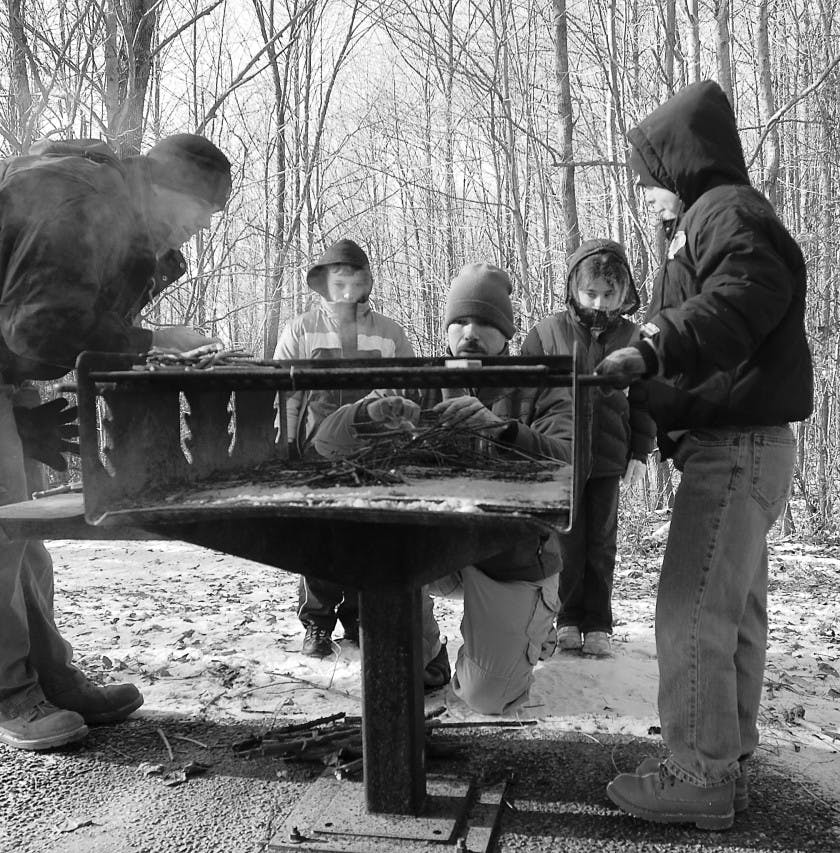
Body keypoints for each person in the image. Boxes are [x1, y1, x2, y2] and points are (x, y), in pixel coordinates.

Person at [0, 133, 232, 750]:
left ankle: (48, 674)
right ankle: (3, 692)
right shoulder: (77, 196)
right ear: (166, 188)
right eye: (194, 217)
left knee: (16, 514)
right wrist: (151, 341)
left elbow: (44, 318)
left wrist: (18, 406)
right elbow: (41, 330)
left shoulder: (114, 214)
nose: (192, 234)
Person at [596, 81, 813, 829]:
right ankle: (727, 750)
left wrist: (655, 345)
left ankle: (696, 770)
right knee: (733, 611)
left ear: (682, 168)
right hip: (747, 444)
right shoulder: (718, 217)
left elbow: (745, 296)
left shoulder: (725, 213)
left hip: (735, 447)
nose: (648, 197)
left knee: (688, 611)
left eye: (651, 180)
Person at [313, 263, 572, 713]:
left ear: (506, 332)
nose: (470, 332)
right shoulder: (419, 379)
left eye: (485, 322)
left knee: (485, 697)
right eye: (460, 321)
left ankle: (534, 623)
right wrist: (365, 417)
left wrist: (503, 431)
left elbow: (569, 462)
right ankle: (427, 654)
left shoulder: (540, 383)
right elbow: (325, 445)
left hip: (510, 556)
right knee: (376, 545)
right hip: (431, 551)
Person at [273, 239, 415, 658]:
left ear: (367, 282)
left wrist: (396, 440)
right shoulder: (301, 330)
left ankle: (358, 616)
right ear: (324, 283)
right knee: (320, 538)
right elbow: (285, 393)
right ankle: (317, 624)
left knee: (366, 535)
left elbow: (404, 391)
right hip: (315, 450)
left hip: (373, 453)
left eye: (355, 279)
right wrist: (284, 445)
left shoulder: (389, 333)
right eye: (339, 280)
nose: (347, 288)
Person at [522, 239, 655, 657]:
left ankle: (598, 621)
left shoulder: (634, 337)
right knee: (565, 541)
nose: (599, 303)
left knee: (601, 541)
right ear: (574, 289)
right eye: (591, 293)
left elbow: (646, 399)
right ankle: (566, 618)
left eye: (608, 294)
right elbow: (526, 397)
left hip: (608, 458)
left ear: (623, 294)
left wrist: (640, 450)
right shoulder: (546, 333)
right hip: (558, 457)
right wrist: (524, 449)